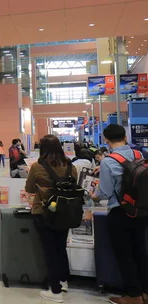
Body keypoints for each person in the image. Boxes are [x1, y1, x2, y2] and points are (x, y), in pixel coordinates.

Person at [93, 124, 148, 304]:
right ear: (125, 136)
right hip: (142, 210)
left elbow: (106, 192)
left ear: (106, 140)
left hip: (120, 212)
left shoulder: (108, 161)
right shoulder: (140, 155)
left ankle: (133, 296)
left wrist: (95, 194)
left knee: (124, 254)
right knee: (140, 250)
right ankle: (144, 292)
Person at [25, 134, 78, 303]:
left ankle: (55, 291)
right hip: (66, 213)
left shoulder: (37, 167)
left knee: (50, 251)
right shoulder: (71, 166)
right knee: (60, 247)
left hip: (43, 212)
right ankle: (63, 281)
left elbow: (30, 188)